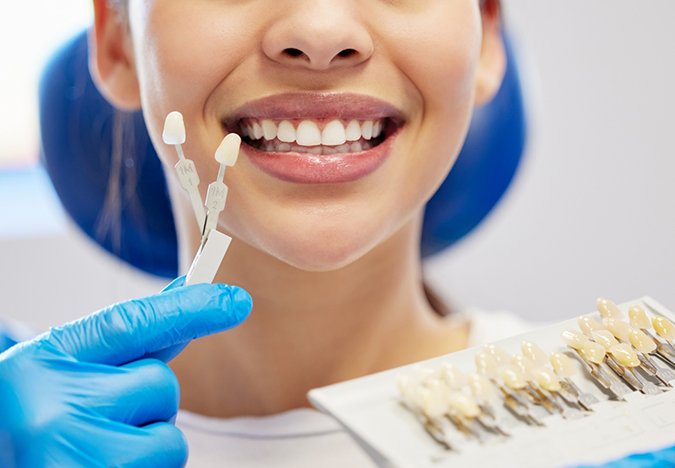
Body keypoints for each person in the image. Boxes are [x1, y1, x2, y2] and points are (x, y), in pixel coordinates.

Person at [3, 1, 667, 467]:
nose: (319, 32)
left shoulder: (636, 427)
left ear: (485, 33)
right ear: (116, 41)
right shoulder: (27, 435)